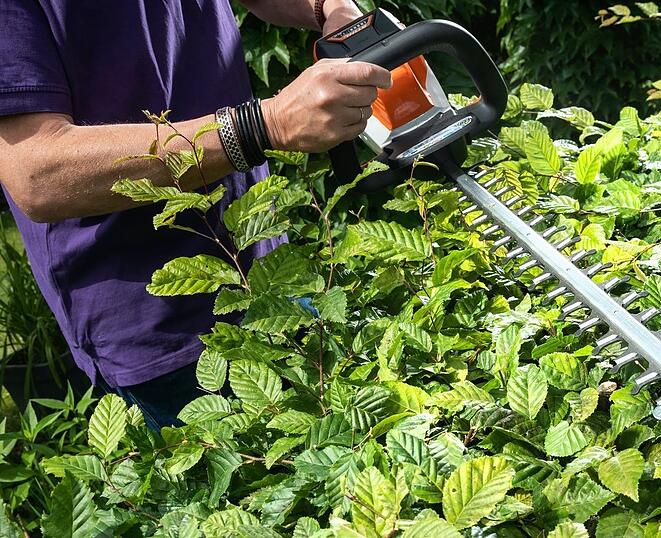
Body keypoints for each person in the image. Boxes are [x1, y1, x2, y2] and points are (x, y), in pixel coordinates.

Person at [0, 0, 392, 430]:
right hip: (167, 327)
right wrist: (265, 126)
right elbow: (37, 172)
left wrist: (329, 7)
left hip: (265, 260)